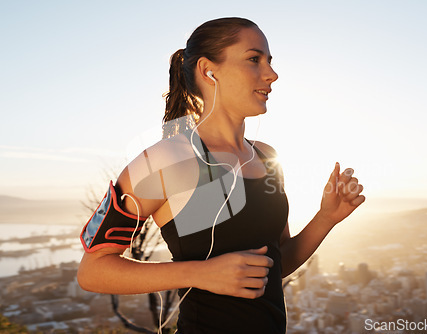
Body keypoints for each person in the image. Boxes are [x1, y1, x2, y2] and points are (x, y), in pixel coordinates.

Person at [77, 17, 365, 334]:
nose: (272, 74)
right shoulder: (166, 160)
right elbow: (93, 271)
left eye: (269, 61)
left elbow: (276, 264)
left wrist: (326, 218)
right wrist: (199, 273)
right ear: (208, 70)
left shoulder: (267, 157)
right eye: (254, 59)